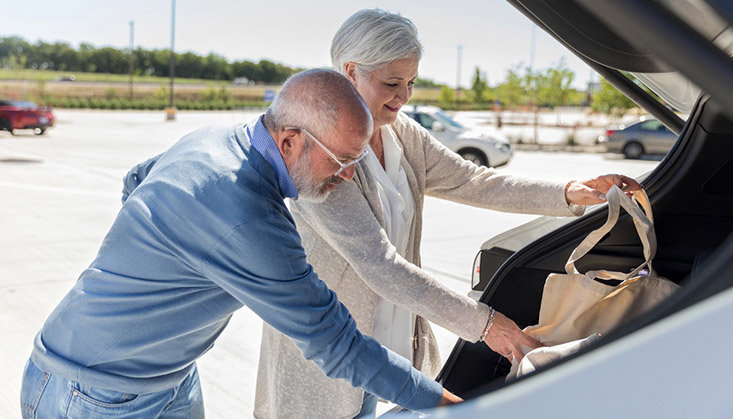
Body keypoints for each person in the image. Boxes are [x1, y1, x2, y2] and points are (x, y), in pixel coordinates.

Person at [253, 9, 643, 418]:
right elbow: (380, 265)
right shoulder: (322, 155)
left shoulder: (403, 134)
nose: (404, 97)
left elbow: (476, 182)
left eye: (411, 83)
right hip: (331, 354)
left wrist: (570, 193)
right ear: (350, 72)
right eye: (391, 83)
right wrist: (488, 325)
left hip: (391, 342)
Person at [19, 69, 462, 419]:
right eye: (342, 160)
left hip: (168, 377)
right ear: (290, 140)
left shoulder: (212, 140)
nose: (348, 175)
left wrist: (156, 253)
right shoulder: (251, 219)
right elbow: (336, 344)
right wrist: (453, 408)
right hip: (95, 393)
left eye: (357, 160)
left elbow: (136, 178)